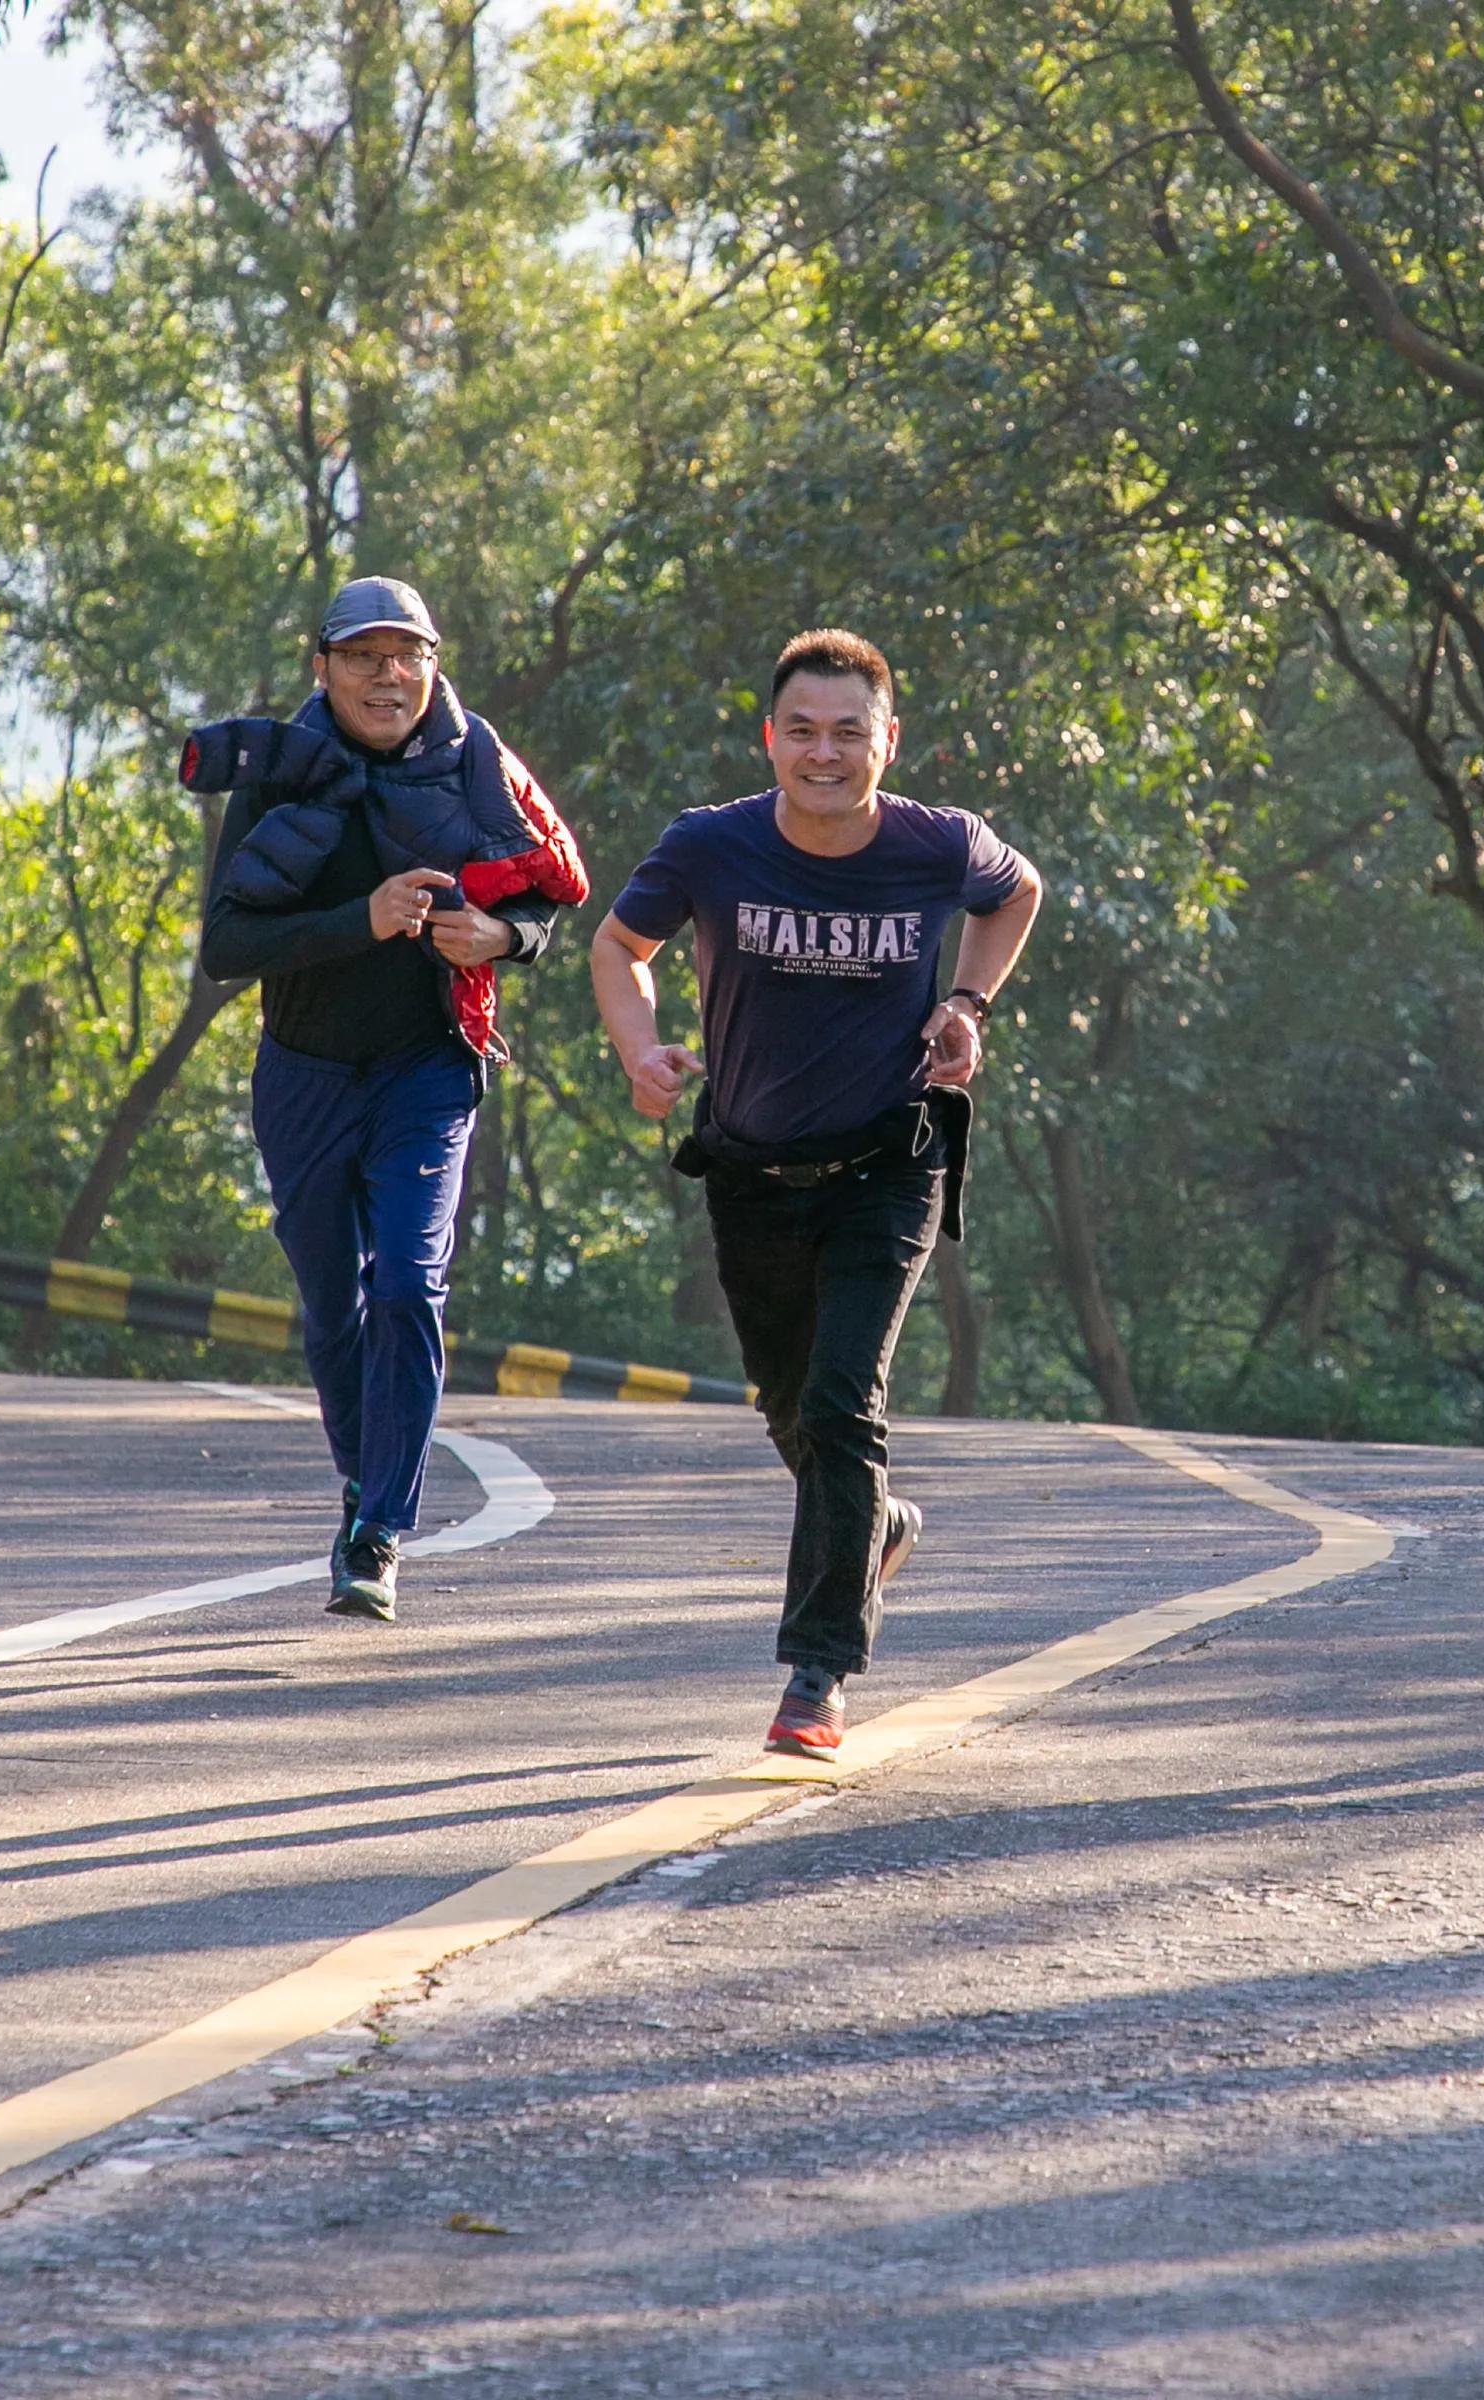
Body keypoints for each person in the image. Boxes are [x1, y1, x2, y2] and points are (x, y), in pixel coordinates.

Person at [592, 629, 1044, 1759]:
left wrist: (969, 1006)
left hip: (889, 1165)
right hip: (749, 1174)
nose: (825, 752)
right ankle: (873, 1525)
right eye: (803, 730)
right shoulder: (712, 846)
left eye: (850, 731)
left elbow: (1018, 890)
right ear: (771, 740)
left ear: (889, 741)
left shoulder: (941, 847)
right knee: (792, 1410)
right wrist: (641, 1051)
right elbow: (618, 944)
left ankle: (818, 1672)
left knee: (845, 1402)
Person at [186, 576, 589, 1622]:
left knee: (408, 1286)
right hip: (305, 1071)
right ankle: (366, 1477)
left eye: (407, 654)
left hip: (430, 1066)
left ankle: (378, 1533)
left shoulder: (476, 762)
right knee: (335, 1309)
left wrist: (502, 938)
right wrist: (358, 921)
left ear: (434, 665)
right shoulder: (278, 775)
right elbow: (226, 949)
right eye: (363, 655)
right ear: (321, 668)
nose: (389, 675)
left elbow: (547, 896)